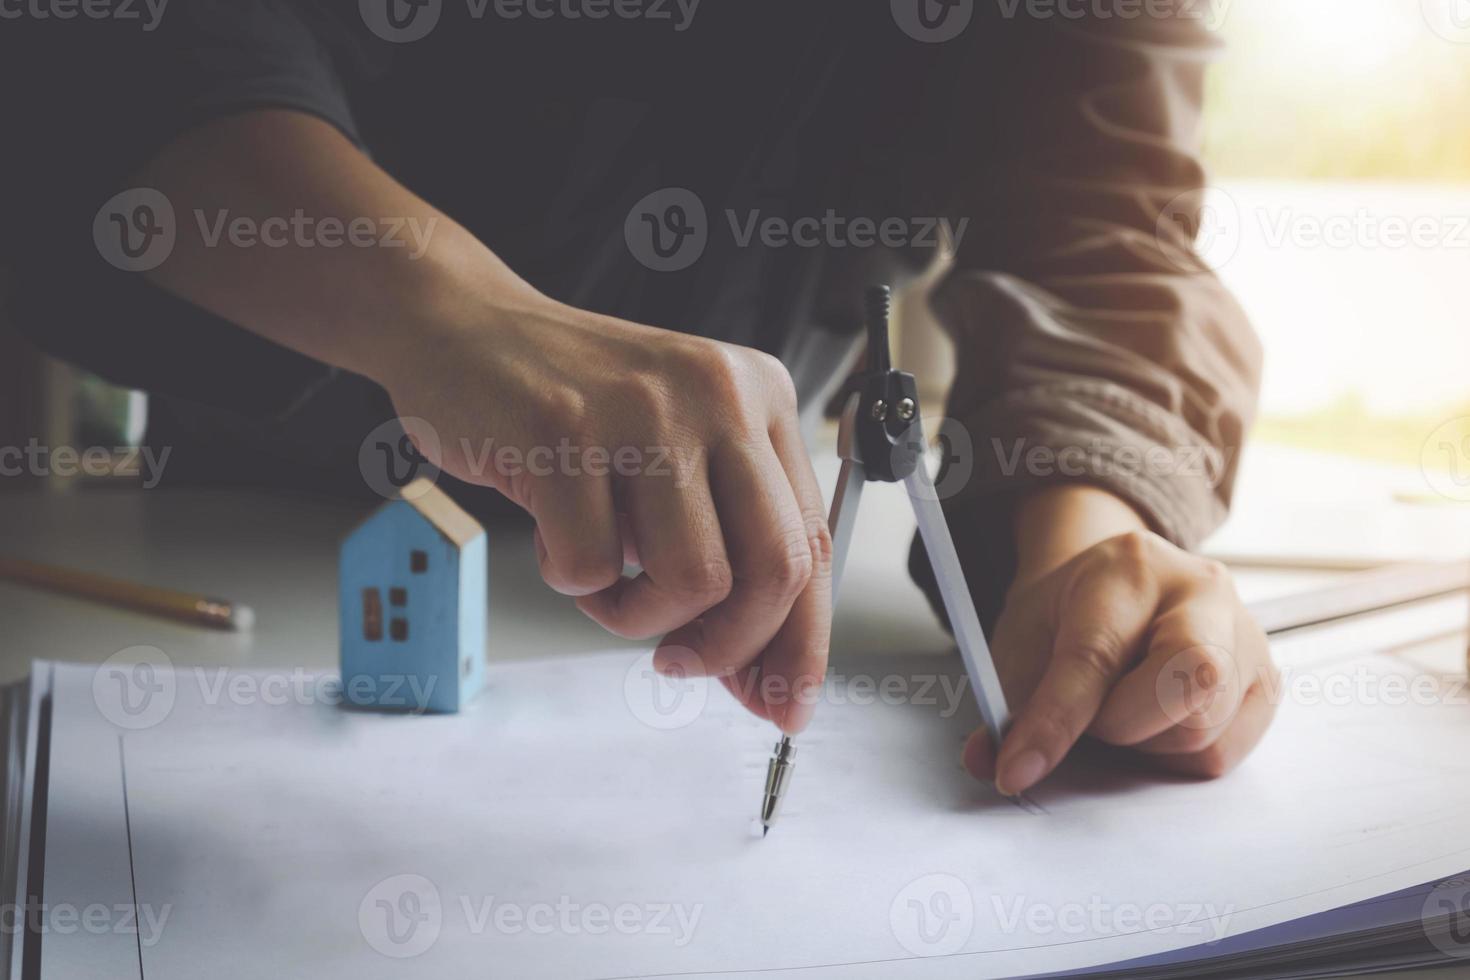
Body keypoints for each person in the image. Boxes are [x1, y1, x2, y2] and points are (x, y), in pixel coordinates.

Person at [2, 0, 1276, 796]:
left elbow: (1100, 213)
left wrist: (1091, 533)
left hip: (741, 546)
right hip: (244, 505)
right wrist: (447, 307)